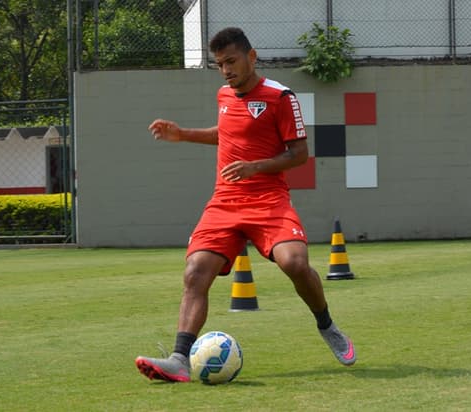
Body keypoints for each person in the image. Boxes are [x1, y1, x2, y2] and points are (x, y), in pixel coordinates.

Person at [136, 27, 356, 383]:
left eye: (231, 61)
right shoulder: (224, 94)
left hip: (269, 200)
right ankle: (179, 358)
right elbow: (226, 132)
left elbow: (299, 154)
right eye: (219, 64)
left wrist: (255, 167)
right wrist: (183, 135)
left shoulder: (281, 97)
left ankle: (327, 325)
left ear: (251, 57)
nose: (225, 70)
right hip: (225, 201)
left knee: (295, 263)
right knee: (195, 273)